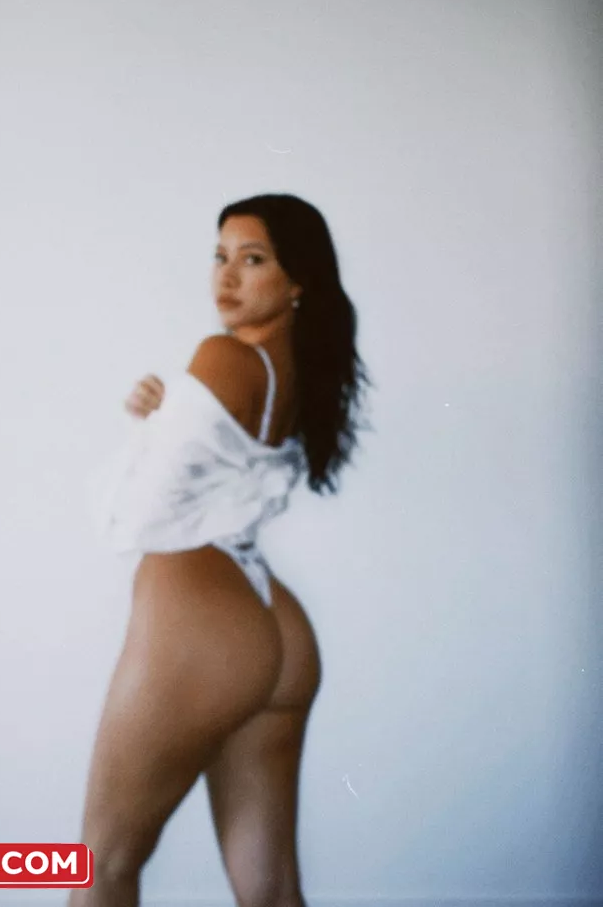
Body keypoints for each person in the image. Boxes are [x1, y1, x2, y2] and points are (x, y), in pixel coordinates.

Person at [71, 193, 371, 907]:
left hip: (202, 622)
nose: (227, 277)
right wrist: (166, 415)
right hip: (275, 624)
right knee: (271, 892)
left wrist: (150, 426)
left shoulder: (224, 357)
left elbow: (136, 515)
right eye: (220, 256)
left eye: (253, 259)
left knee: (101, 866)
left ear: (297, 280)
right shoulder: (298, 368)